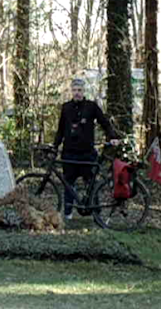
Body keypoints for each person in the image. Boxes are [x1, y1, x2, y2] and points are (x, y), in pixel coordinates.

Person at [53, 78, 119, 220]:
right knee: (68, 184)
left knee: (91, 184)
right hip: (69, 154)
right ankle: (68, 214)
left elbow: (105, 123)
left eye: (80, 90)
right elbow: (60, 130)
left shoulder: (91, 106)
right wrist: (54, 146)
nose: (77, 93)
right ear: (71, 91)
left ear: (84, 91)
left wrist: (112, 136)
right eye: (75, 90)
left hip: (87, 154)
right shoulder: (66, 108)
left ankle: (96, 214)